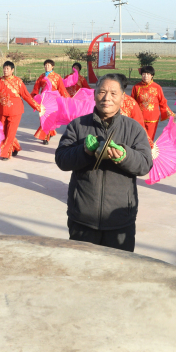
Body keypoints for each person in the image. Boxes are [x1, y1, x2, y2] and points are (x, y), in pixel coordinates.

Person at [55, 73, 153, 252]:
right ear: (94, 95)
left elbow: (145, 164)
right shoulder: (78, 125)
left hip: (120, 220)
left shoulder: (134, 129)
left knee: (117, 274)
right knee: (82, 271)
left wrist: (124, 156)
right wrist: (83, 151)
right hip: (82, 219)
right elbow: (61, 159)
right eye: (102, 92)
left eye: (113, 93)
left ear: (123, 97)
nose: (107, 98)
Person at [0, 60, 40, 160]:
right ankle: (14, 147)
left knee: (10, 132)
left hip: (15, 111)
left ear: (12, 70)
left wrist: (37, 107)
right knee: (3, 131)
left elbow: (26, 96)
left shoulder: (18, 81)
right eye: (4, 68)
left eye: (8, 68)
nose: (5, 70)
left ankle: (5, 153)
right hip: (3, 111)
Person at [32, 59, 70, 144]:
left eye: (48, 65)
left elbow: (62, 89)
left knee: (49, 118)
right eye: (45, 65)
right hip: (44, 101)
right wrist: (34, 95)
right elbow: (36, 87)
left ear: (52, 66)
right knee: (43, 118)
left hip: (53, 102)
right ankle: (50, 133)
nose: (46, 67)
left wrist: (68, 99)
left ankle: (45, 138)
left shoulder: (57, 77)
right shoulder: (41, 76)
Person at [132, 66, 173, 142]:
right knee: (139, 137)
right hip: (139, 117)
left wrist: (170, 113)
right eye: (144, 74)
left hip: (152, 118)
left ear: (152, 75)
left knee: (149, 139)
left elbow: (162, 102)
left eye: (148, 74)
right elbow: (132, 102)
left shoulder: (157, 87)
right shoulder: (136, 87)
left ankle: (148, 152)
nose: (145, 76)